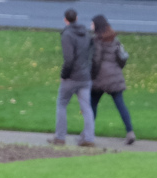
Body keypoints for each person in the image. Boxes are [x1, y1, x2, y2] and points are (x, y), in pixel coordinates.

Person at [53, 7, 96, 147]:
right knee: (87, 108)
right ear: (77, 18)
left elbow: (69, 59)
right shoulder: (86, 34)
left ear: (65, 20)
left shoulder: (67, 35)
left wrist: (64, 75)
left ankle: (60, 137)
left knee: (62, 104)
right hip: (85, 76)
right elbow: (91, 53)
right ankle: (89, 138)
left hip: (72, 77)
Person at [89, 15, 134, 145]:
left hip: (100, 78)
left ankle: (88, 134)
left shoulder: (97, 40)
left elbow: (96, 61)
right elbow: (122, 58)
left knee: (92, 105)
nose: (91, 26)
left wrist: (91, 75)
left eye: (92, 24)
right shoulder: (115, 39)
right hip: (115, 77)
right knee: (120, 105)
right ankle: (130, 131)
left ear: (97, 26)